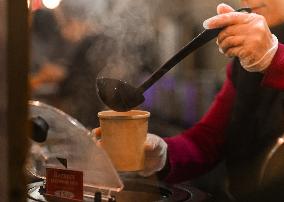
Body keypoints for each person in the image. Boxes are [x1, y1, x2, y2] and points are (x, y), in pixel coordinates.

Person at [93, 1, 284, 201]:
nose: (249, 0)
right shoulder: (245, 63)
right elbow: (207, 141)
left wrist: (274, 58)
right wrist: (162, 156)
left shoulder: (264, 55)